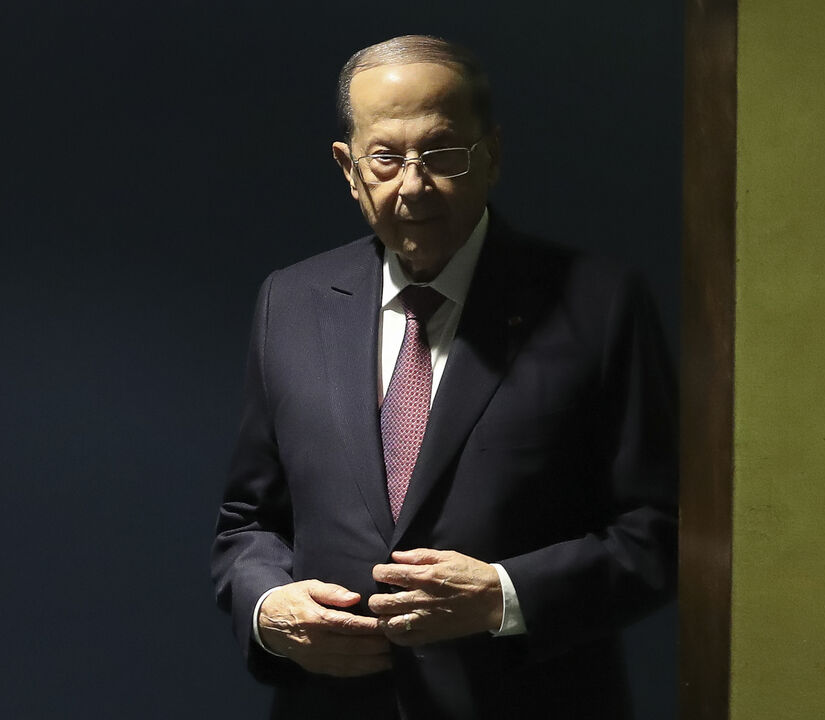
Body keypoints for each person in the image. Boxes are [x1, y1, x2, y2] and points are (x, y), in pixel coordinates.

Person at [211, 35, 677, 719]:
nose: (413, 184)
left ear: (492, 154)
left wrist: (504, 595)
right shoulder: (290, 302)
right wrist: (265, 607)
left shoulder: (602, 305)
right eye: (386, 158)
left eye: (442, 153)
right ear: (348, 168)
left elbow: (662, 529)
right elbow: (247, 523)